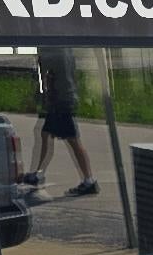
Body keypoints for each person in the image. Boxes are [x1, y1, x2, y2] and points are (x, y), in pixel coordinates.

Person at [20, 48, 98, 196]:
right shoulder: (66, 51)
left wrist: (41, 96)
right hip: (65, 97)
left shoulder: (51, 54)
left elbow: (46, 77)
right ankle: (38, 174)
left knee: (73, 140)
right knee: (46, 134)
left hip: (60, 100)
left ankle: (89, 180)